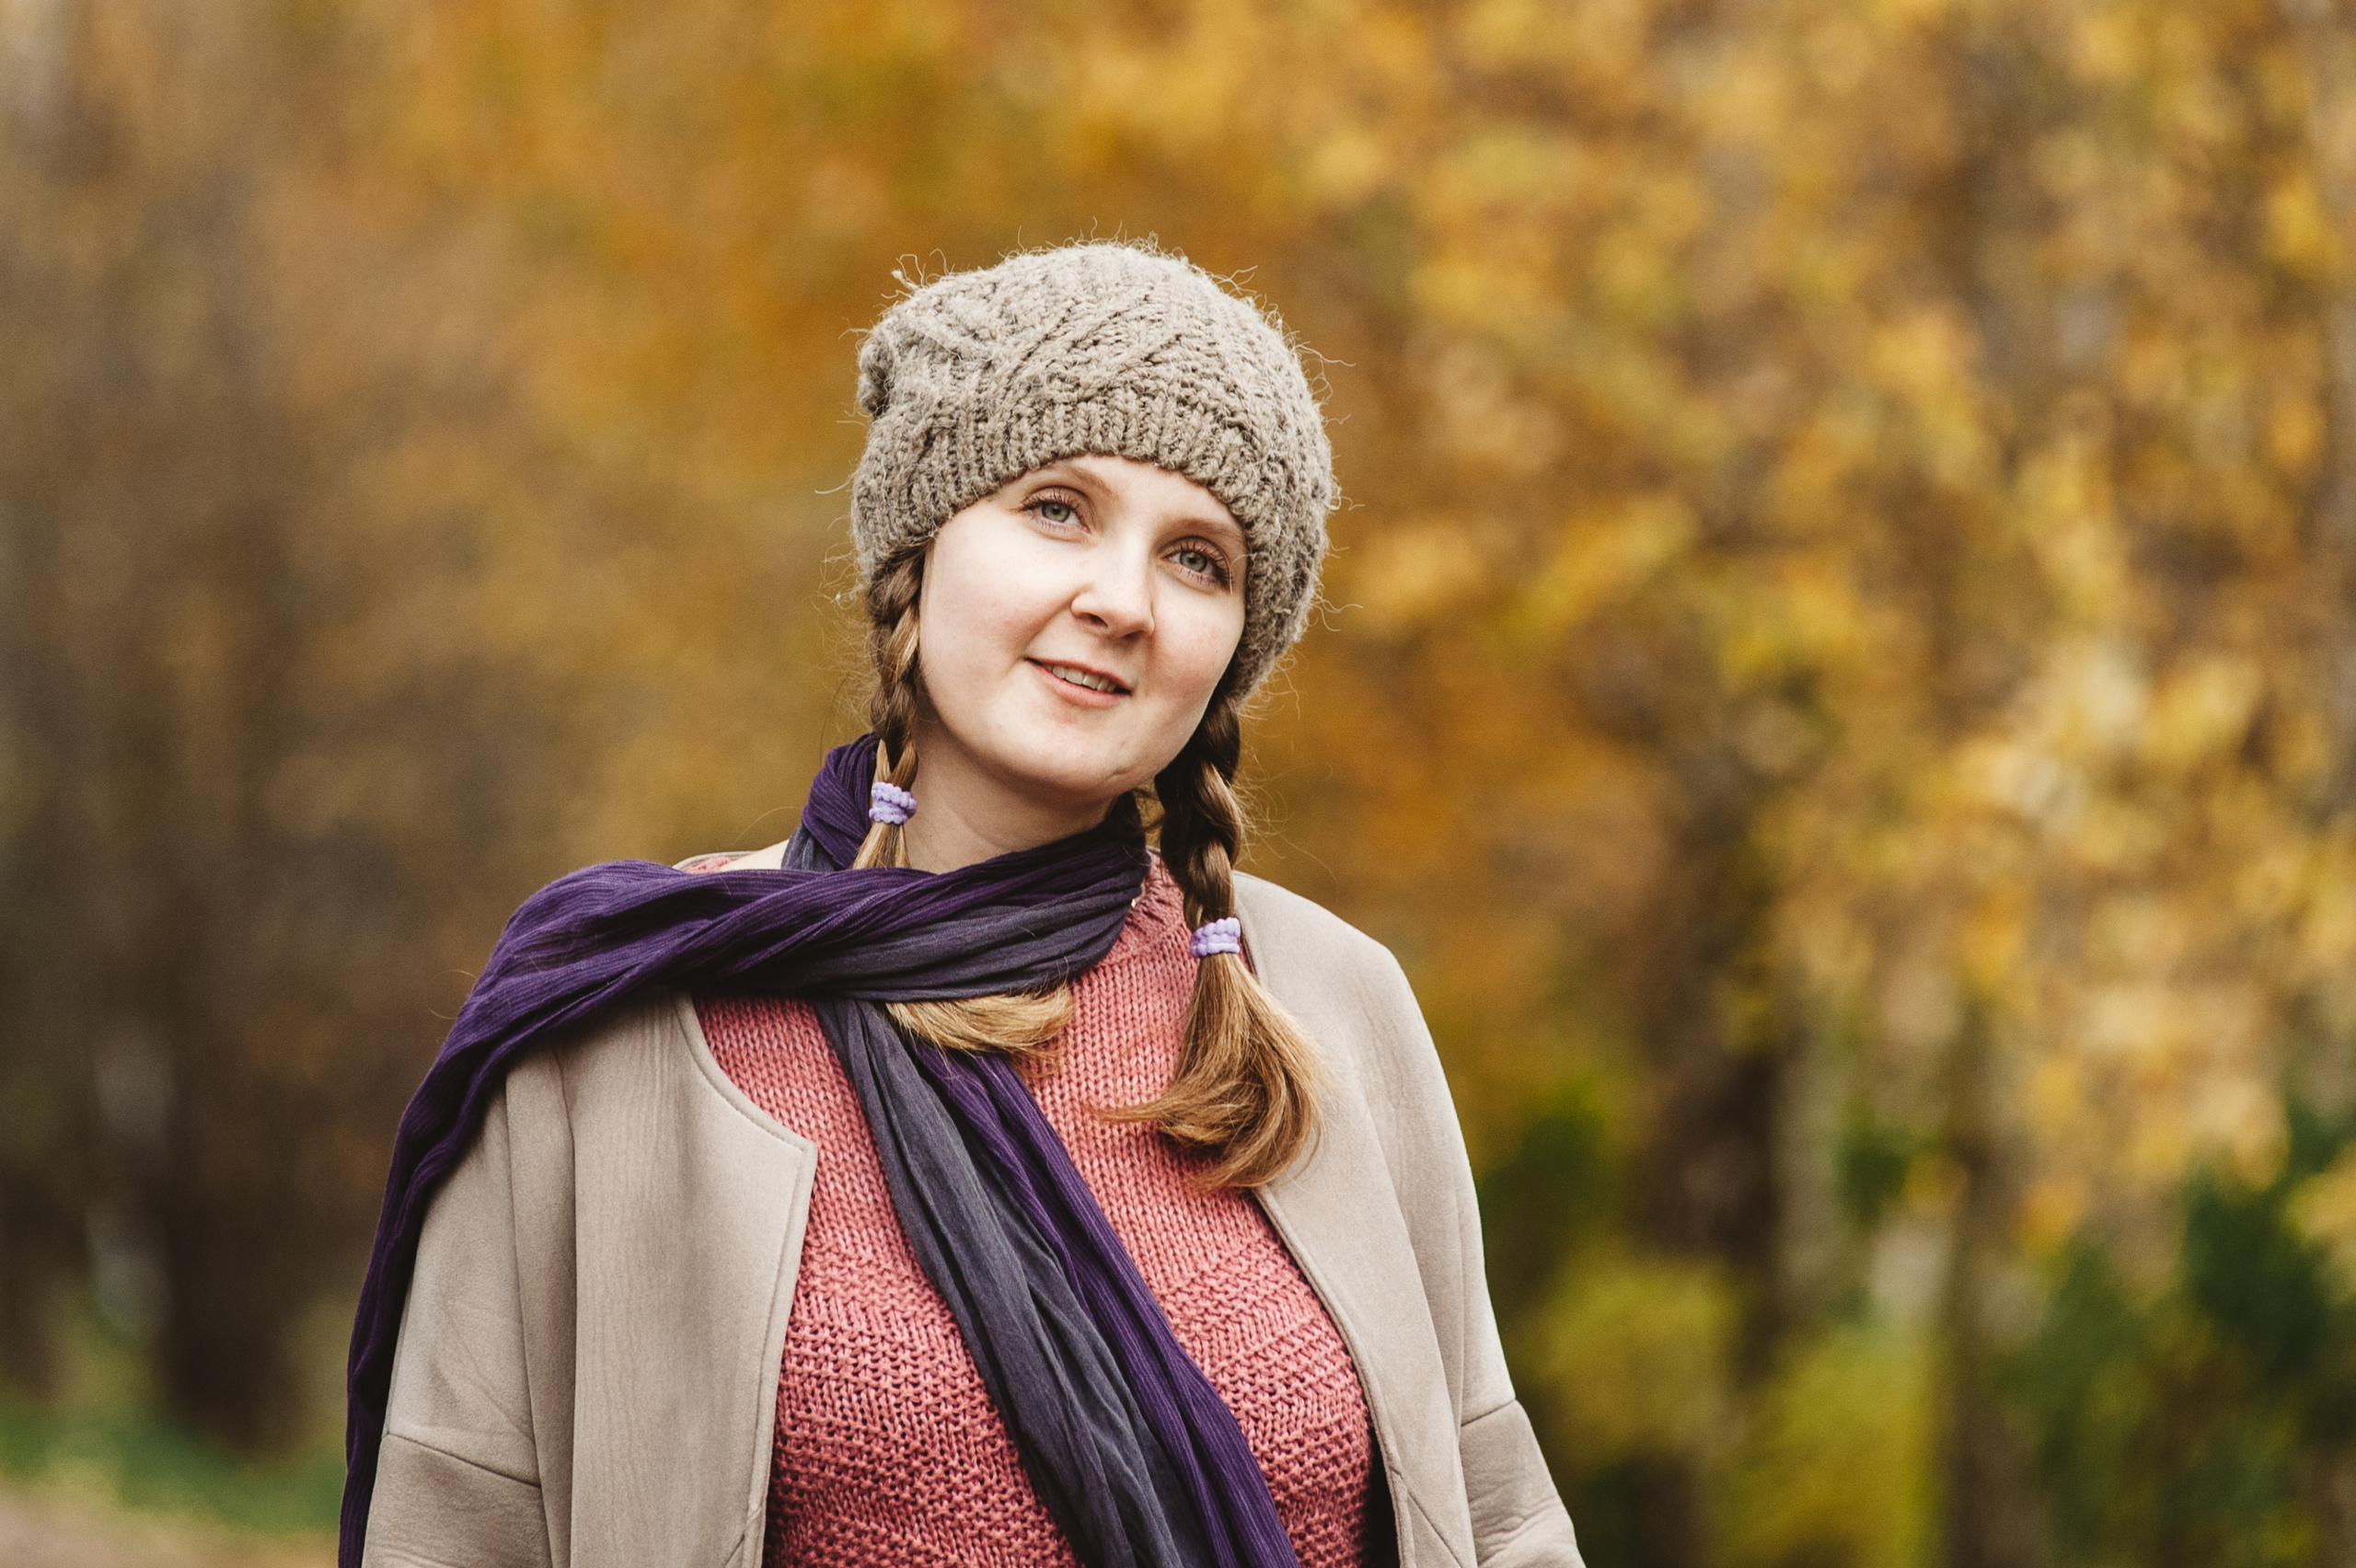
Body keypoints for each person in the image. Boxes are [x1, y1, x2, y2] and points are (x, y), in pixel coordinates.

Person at [342, 241, 1580, 1568]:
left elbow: (1497, 1517)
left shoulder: (1335, 1009)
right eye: (1058, 507)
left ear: (1235, 645)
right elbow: (459, 1524)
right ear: (919, 555)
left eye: (1199, 560)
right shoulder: (627, 1021)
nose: (1120, 601)